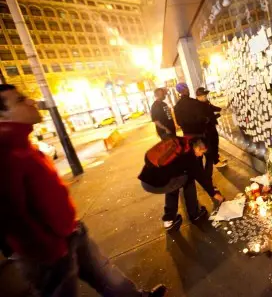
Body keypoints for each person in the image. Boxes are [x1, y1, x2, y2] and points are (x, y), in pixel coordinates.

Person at [0, 84, 167, 297]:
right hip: (49, 252)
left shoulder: (22, 143)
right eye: (20, 100)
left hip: (70, 231)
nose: (31, 101)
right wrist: (50, 249)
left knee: (107, 275)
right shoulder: (6, 153)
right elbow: (12, 217)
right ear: (2, 116)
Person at [138, 136, 224, 230]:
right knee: (189, 179)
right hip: (157, 184)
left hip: (146, 180)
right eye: (201, 153)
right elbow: (202, 178)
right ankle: (195, 214)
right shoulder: (189, 157)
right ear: (198, 148)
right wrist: (214, 194)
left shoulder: (180, 142)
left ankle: (169, 220)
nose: (200, 156)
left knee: (174, 182)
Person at [195, 87, 228, 178]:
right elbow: (206, 119)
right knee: (211, 144)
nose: (206, 97)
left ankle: (216, 156)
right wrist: (218, 115)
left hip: (211, 126)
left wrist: (220, 109)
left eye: (206, 95)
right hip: (206, 129)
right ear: (199, 96)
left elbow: (211, 107)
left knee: (215, 141)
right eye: (204, 95)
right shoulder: (198, 106)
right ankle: (216, 162)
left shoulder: (205, 102)